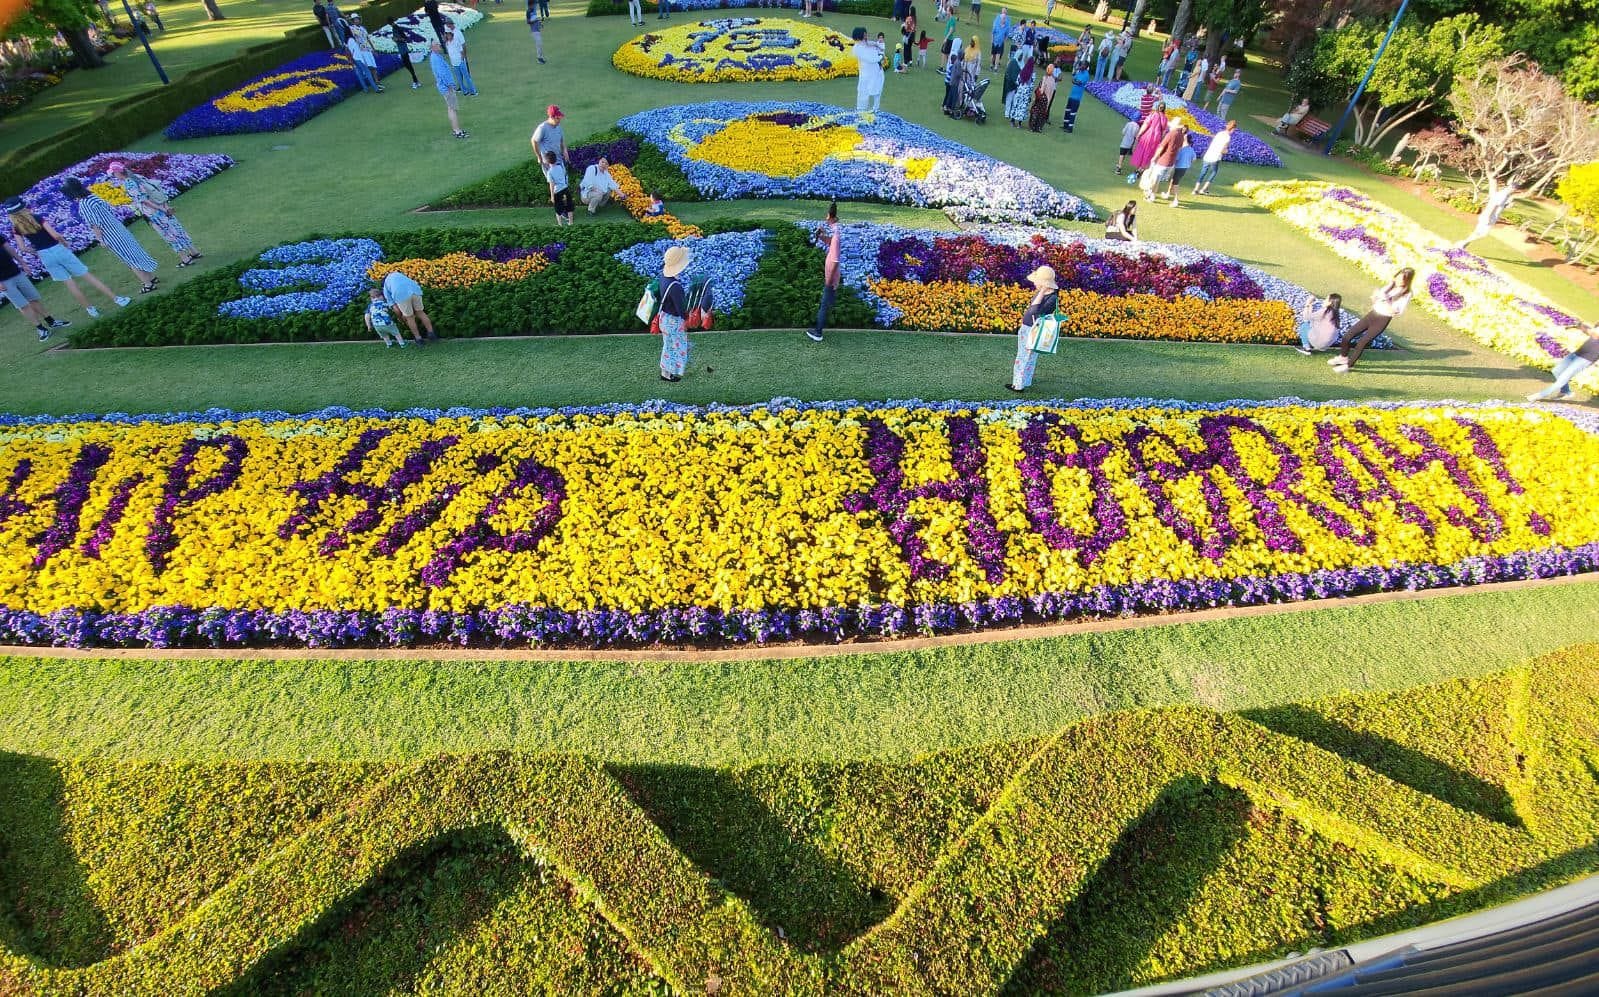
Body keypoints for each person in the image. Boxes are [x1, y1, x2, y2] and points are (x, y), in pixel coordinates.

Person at [3, 199, 129, 318]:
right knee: (86, 275)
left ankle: (91, 310)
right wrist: (64, 242)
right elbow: (55, 235)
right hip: (57, 248)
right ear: (23, 207)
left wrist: (36, 252)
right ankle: (117, 299)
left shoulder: (16, 228)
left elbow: (23, 248)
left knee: (70, 283)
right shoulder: (37, 218)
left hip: (44, 255)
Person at [61, 178, 159, 294]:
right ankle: (151, 277)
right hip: (118, 228)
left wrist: (100, 240)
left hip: (111, 235)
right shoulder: (93, 197)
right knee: (135, 252)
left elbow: (95, 225)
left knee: (129, 259)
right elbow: (107, 210)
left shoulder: (84, 204)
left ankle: (147, 284)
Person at [107, 161, 202, 268]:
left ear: (118, 172)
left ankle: (185, 259)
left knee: (169, 234)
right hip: (162, 206)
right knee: (177, 229)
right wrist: (165, 206)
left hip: (154, 213)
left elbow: (143, 200)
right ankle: (194, 252)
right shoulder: (137, 177)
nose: (113, 176)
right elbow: (156, 188)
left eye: (113, 174)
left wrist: (160, 209)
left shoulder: (128, 183)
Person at [1330, 269, 1413, 372]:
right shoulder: (1390, 286)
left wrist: (1385, 300)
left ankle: (1348, 365)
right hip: (1372, 315)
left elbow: (1396, 311)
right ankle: (1343, 357)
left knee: (1362, 343)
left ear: (1407, 281)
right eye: (1398, 277)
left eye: (1402, 279)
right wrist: (1375, 298)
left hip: (1382, 319)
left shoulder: (1406, 294)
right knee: (1348, 335)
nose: (1398, 280)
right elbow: (1377, 299)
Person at [0, 241, 70, 341]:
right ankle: (40, 328)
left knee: (33, 298)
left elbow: (9, 249)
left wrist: (22, 263)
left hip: (15, 272)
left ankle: (51, 321)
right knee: (22, 305)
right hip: (3, 281)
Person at [1008, 265, 1059, 392]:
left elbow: (1034, 311)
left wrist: (1042, 291)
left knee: (1024, 356)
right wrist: (1041, 292)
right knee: (1028, 356)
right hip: (1028, 328)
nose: (1035, 284)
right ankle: (1024, 381)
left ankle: (1018, 385)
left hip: (1034, 330)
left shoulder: (1051, 298)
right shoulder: (1043, 294)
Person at [1528, 322, 1599, 401]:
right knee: (1557, 371)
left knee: (1563, 379)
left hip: (1587, 359)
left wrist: (1584, 327)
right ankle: (1566, 392)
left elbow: (1595, 335)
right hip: (1578, 353)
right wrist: (1580, 326)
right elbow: (1591, 332)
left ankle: (1539, 395)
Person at [655, 245, 693, 381]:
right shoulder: (675, 286)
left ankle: (666, 372)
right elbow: (681, 309)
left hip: (665, 318)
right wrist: (688, 319)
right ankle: (668, 373)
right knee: (675, 347)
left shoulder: (663, 278)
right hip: (673, 321)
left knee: (669, 345)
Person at [810, 202, 841, 343]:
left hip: (831, 276)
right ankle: (831, 322)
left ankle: (818, 333)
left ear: (830, 216)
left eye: (826, 215)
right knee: (829, 302)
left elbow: (834, 260)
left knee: (824, 303)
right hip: (832, 275)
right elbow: (831, 242)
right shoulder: (836, 232)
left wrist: (829, 280)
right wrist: (821, 236)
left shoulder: (836, 234)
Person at [382, 267, 436, 343]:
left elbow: (395, 308)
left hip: (400, 294)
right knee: (420, 312)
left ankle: (418, 338)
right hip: (415, 290)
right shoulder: (398, 274)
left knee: (409, 317)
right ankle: (431, 334)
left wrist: (400, 318)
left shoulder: (385, 286)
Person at [426, 41, 468, 139]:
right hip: (447, 87)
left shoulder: (435, 57)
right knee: (452, 108)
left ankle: (456, 129)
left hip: (445, 86)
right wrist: (450, 85)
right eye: (438, 45)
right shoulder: (435, 58)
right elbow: (442, 73)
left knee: (451, 108)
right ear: (433, 47)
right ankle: (457, 131)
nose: (440, 46)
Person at [1142, 124, 1184, 202]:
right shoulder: (1181, 135)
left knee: (1155, 179)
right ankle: (1152, 194)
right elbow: (1179, 148)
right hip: (1171, 163)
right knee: (1157, 180)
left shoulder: (1171, 134)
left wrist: (1154, 157)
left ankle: (1151, 195)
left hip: (1163, 161)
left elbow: (1161, 147)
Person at [1192, 119, 1234, 194]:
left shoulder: (1220, 133)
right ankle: (1204, 189)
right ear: (1232, 129)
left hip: (1208, 154)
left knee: (1203, 172)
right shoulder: (1228, 137)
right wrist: (1227, 151)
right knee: (1214, 172)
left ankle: (1196, 189)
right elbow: (1223, 150)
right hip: (1215, 157)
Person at [1127, 109, 1168, 180]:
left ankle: (1138, 169)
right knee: (1149, 154)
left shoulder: (1153, 115)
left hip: (1148, 135)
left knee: (1143, 150)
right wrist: (1161, 140)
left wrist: (1139, 134)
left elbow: (1145, 125)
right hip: (1157, 138)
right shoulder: (1165, 118)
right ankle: (1142, 169)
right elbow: (1164, 131)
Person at [346, 17, 382, 94]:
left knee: (370, 69)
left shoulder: (362, 29)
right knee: (367, 70)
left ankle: (374, 85)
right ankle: (374, 87)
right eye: (355, 19)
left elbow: (368, 38)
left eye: (357, 19)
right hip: (361, 54)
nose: (357, 20)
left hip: (364, 52)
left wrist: (373, 49)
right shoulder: (352, 31)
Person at [852, 28, 883, 112]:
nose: (866, 36)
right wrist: (880, 56)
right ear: (859, 36)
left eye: (866, 34)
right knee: (863, 91)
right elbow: (871, 59)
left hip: (876, 71)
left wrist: (877, 47)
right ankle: (861, 110)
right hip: (866, 72)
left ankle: (875, 108)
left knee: (878, 90)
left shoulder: (867, 44)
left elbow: (878, 48)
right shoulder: (858, 47)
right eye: (864, 34)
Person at [1162, 132, 1196, 206]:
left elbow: (1176, 159)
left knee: (1175, 184)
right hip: (1184, 168)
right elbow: (1193, 159)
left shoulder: (1181, 149)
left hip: (1179, 167)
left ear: (1185, 140)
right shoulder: (1191, 149)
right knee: (1173, 180)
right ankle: (1168, 193)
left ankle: (1176, 200)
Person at [443, 25, 476, 95]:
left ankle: (473, 91)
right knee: (459, 79)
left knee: (467, 77)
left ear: (451, 34)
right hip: (454, 64)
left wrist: (461, 60)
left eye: (449, 34)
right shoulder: (447, 43)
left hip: (460, 62)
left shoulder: (456, 41)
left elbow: (461, 51)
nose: (448, 36)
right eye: (446, 34)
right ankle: (465, 91)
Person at [1005, 48, 1034, 128]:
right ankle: (1019, 124)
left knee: (1016, 105)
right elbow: (1031, 85)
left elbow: (1018, 81)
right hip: (1026, 93)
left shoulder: (1022, 71)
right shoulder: (1032, 74)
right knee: (1023, 108)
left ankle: (1012, 121)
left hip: (1019, 91)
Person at [543, 151, 574, 226]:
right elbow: (564, 175)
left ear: (547, 162)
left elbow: (552, 184)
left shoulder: (549, 172)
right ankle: (571, 222)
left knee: (558, 209)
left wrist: (552, 196)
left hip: (557, 192)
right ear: (556, 159)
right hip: (565, 189)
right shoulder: (560, 167)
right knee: (569, 206)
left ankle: (560, 224)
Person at [532, 105, 567, 169]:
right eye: (557, 118)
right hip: (548, 164)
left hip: (559, 161)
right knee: (552, 179)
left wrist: (565, 151)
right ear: (551, 117)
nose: (559, 120)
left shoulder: (558, 126)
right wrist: (539, 156)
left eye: (560, 118)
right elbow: (534, 141)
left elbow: (561, 141)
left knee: (563, 178)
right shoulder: (542, 128)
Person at [388, 20, 421, 87]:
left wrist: (396, 39)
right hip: (402, 49)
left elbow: (404, 38)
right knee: (407, 65)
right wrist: (396, 39)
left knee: (408, 65)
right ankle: (416, 81)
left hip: (403, 49)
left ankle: (415, 81)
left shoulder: (396, 28)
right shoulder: (395, 28)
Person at [1028, 61, 1058, 132]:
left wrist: (1036, 97)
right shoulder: (1053, 80)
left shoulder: (1045, 78)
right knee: (1042, 114)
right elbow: (1051, 92)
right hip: (1047, 100)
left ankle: (1032, 127)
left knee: (1035, 112)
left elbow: (1042, 90)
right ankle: (1039, 128)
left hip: (1041, 98)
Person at [1061, 60, 1089, 132]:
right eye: (1081, 65)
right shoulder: (1079, 72)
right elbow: (1073, 80)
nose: (1081, 66)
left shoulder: (1086, 74)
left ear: (1086, 66)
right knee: (1067, 110)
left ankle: (1070, 128)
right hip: (1072, 95)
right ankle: (1065, 125)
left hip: (1077, 98)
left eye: (1083, 65)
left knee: (1072, 113)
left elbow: (1079, 82)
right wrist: (1076, 81)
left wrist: (1076, 81)